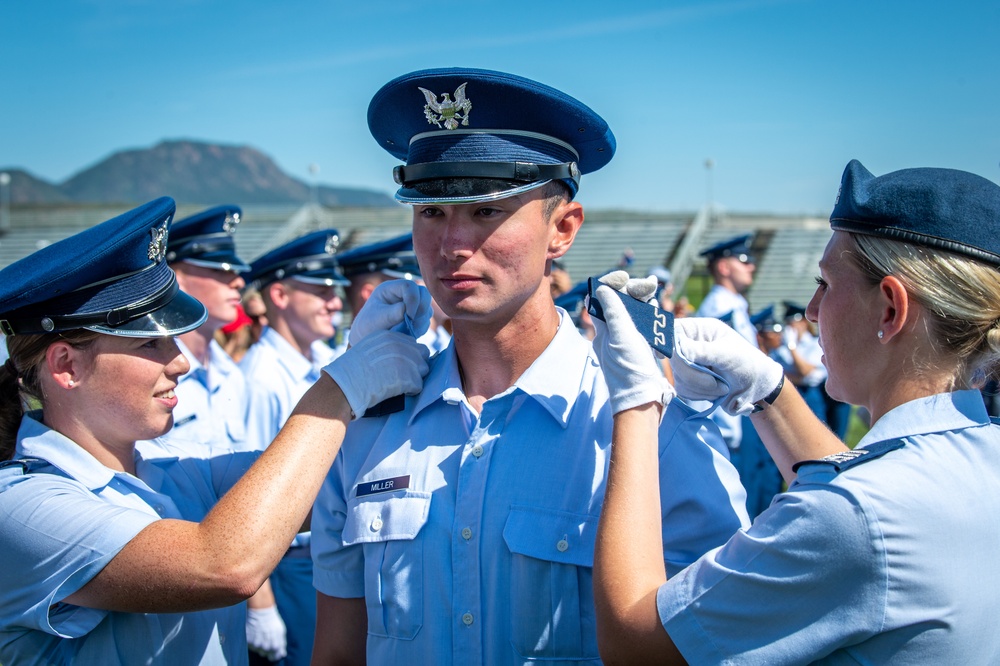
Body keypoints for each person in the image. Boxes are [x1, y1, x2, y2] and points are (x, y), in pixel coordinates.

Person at [310, 66, 749, 664]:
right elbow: (339, 650)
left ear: (562, 229)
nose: (452, 244)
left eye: (486, 211)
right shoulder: (368, 428)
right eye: (432, 211)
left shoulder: (649, 428)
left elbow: (719, 645)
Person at [591, 159, 1000, 663]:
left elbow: (634, 644)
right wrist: (767, 390)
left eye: (826, 284)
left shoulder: (856, 516)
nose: (810, 308)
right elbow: (863, 488)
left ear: (890, 310)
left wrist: (636, 400)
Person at [0, 197, 429, 664]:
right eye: (150, 343)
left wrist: (372, 390)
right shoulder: (21, 507)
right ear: (67, 365)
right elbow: (225, 565)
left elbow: (341, 481)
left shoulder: (173, 468)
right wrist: (339, 390)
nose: (180, 362)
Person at [239, 229, 351, 666]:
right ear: (281, 295)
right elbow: (248, 496)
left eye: (336, 291)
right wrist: (261, 603)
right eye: (321, 291)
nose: (335, 302)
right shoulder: (261, 377)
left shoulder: (316, 360)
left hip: (321, 552)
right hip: (286, 563)